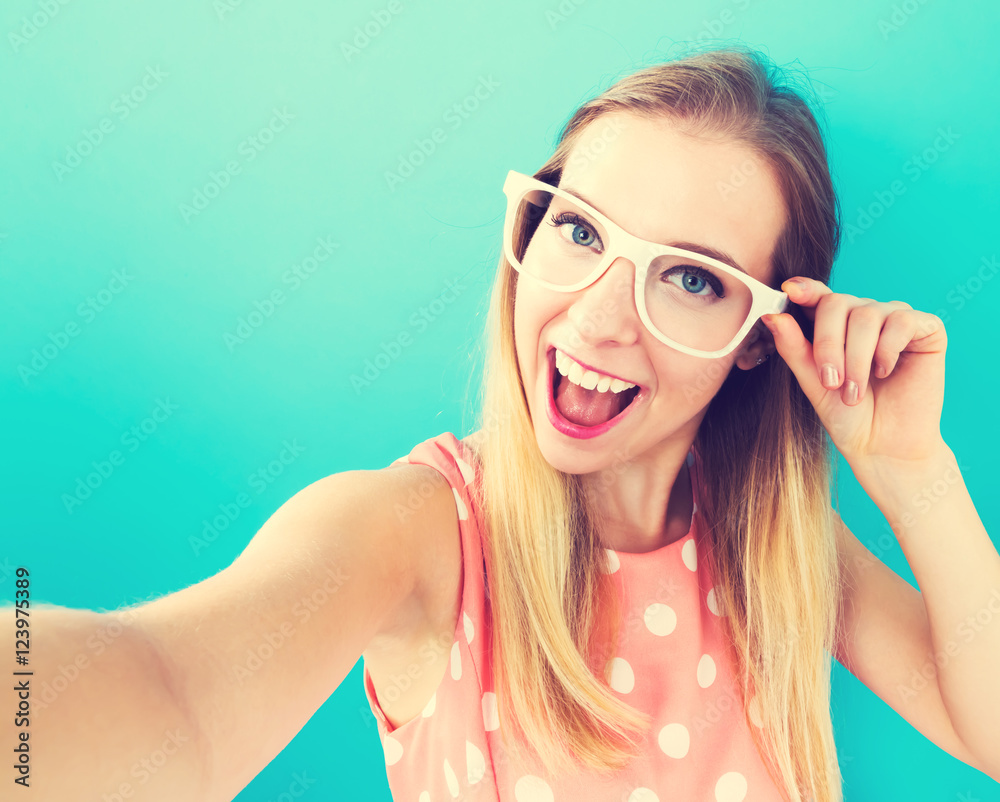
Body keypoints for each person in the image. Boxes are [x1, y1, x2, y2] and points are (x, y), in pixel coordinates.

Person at [5, 44, 998, 802]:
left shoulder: (777, 547)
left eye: (689, 278)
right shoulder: (420, 534)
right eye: (578, 230)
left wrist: (913, 471)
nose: (598, 317)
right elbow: (172, 688)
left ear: (755, 335)